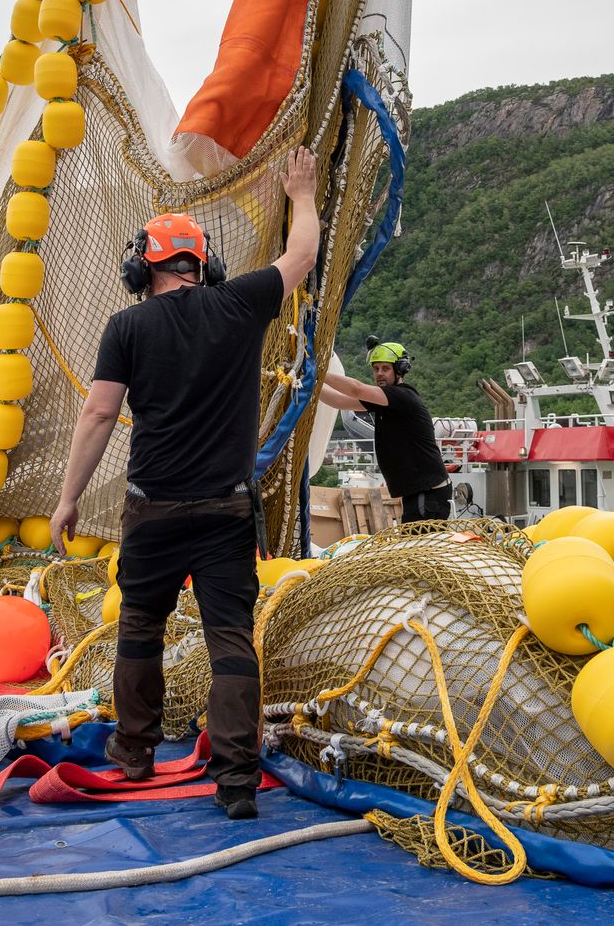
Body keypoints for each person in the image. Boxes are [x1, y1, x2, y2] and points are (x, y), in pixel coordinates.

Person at [51, 146, 320, 820]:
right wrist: (304, 192)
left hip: (153, 510)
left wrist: (69, 496)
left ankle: (135, 752)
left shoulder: (127, 325)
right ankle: (235, 782)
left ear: (144, 267)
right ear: (203, 265)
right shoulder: (238, 304)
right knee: (230, 635)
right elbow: (301, 259)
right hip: (227, 509)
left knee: (140, 624)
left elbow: (101, 411)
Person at [318, 339, 450, 523]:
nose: (379, 374)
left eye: (385, 369)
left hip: (428, 492)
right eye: (376, 368)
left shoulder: (401, 396)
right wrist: (309, 385)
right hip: (419, 491)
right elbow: (338, 402)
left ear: (400, 370)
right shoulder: (385, 401)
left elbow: (356, 389)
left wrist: (317, 371)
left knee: (417, 546)